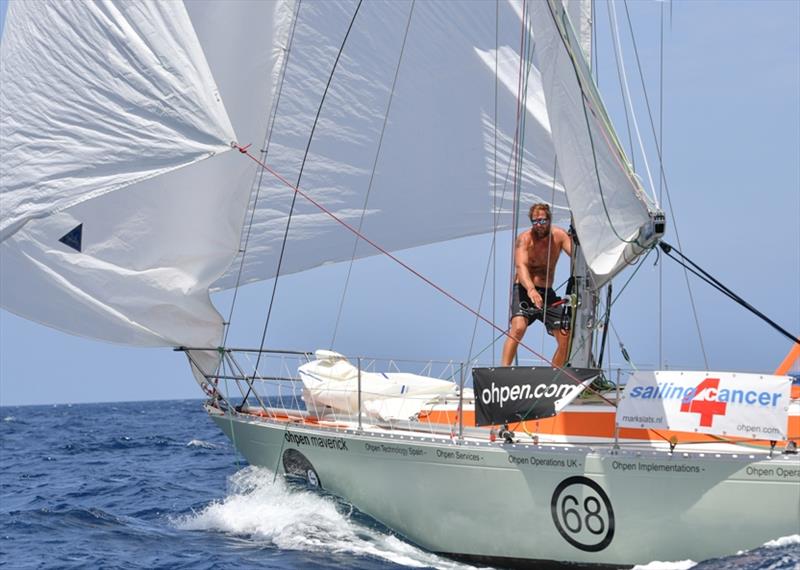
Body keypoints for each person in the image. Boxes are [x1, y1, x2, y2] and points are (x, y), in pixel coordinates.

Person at [501, 203, 572, 367]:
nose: (539, 225)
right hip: (524, 289)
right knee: (518, 328)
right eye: (535, 222)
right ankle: (503, 369)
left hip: (547, 292)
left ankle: (555, 374)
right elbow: (520, 266)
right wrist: (531, 290)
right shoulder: (524, 239)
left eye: (542, 221)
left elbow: (576, 256)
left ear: (549, 219)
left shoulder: (559, 236)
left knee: (565, 336)